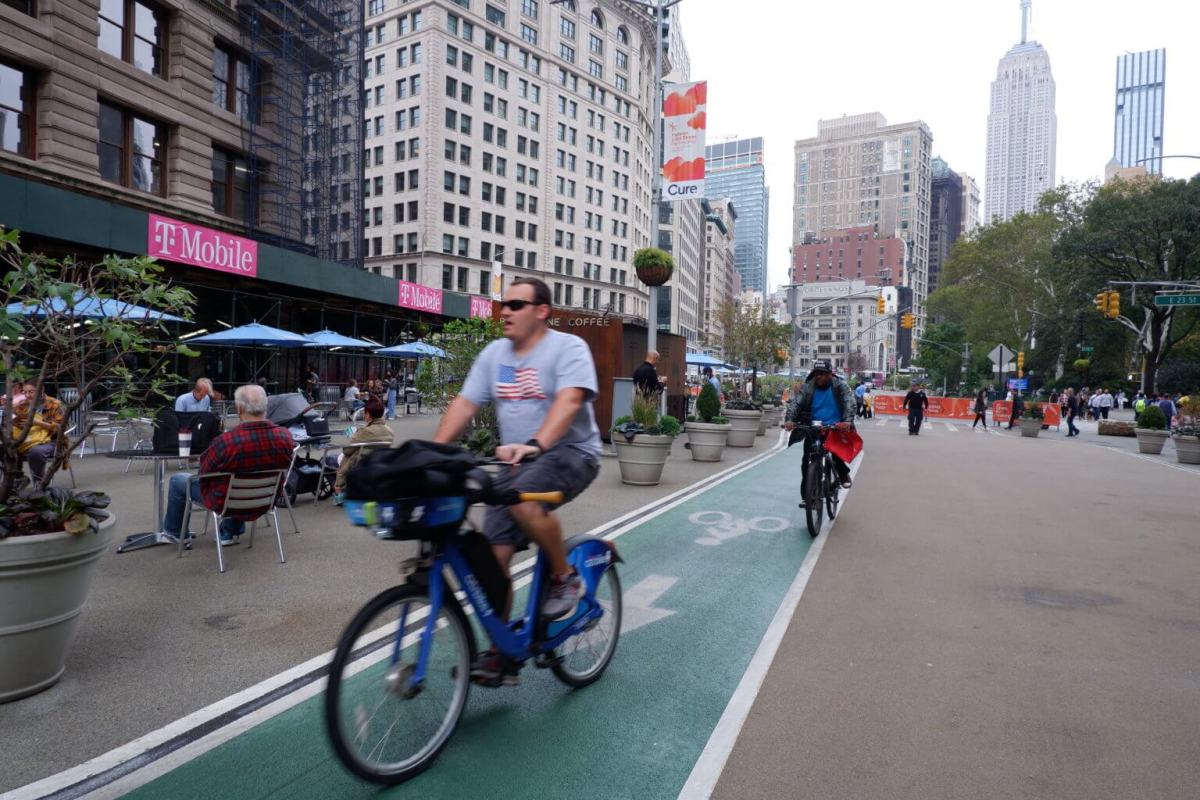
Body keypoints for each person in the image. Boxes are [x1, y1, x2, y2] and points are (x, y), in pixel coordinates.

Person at [433, 277, 601, 685]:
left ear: (541, 311)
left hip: (570, 453)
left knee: (525, 502)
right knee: (493, 563)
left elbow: (570, 400)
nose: (504, 311)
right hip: (515, 463)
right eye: (502, 304)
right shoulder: (494, 354)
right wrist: (433, 453)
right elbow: (466, 403)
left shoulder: (568, 348)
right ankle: (500, 654)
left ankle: (565, 576)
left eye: (514, 304)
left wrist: (536, 444)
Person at [162, 384, 295, 546]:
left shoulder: (226, 441)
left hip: (227, 501)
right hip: (265, 499)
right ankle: (228, 531)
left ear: (238, 408)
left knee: (179, 480)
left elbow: (203, 473)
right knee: (241, 477)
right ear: (265, 408)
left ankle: (174, 532)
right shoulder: (285, 436)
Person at [783, 359, 855, 504]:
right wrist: (790, 419)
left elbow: (849, 402)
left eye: (822, 374)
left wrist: (847, 421)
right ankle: (807, 496)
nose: (819, 377)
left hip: (835, 428)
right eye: (816, 373)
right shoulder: (808, 387)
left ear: (830, 374)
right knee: (806, 461)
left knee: (836, 455)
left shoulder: (839, 386)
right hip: (813, 428)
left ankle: (843, 474)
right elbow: (796, 403)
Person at [332, 396, 393, 503]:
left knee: (339, 458)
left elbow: (347, 450)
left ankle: (339, 488)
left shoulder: (365, 431)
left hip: (360, 462)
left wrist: (353, 436)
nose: (364, 415)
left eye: (365, 413)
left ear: (368, 414)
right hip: (379, 461)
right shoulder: (389, 430)